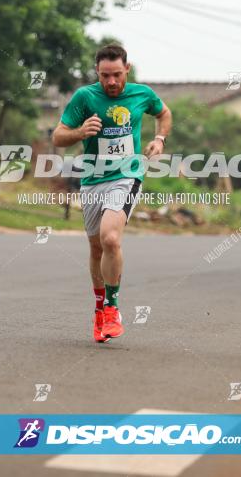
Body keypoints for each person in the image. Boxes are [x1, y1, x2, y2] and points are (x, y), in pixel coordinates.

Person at [51, 44, 172, 342]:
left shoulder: (142, 94)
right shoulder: (84, 97)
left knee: (110, 238)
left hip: (127, 175)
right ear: (97, 73)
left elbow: (164, 113)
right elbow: (58, 136)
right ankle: (99, 310)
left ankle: (112, 306)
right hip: (92, 179)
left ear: (127, 69)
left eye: (117, 75)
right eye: (105, 76)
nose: (112, 82)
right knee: (95, 248)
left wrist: (159, 139)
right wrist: (79, 132)